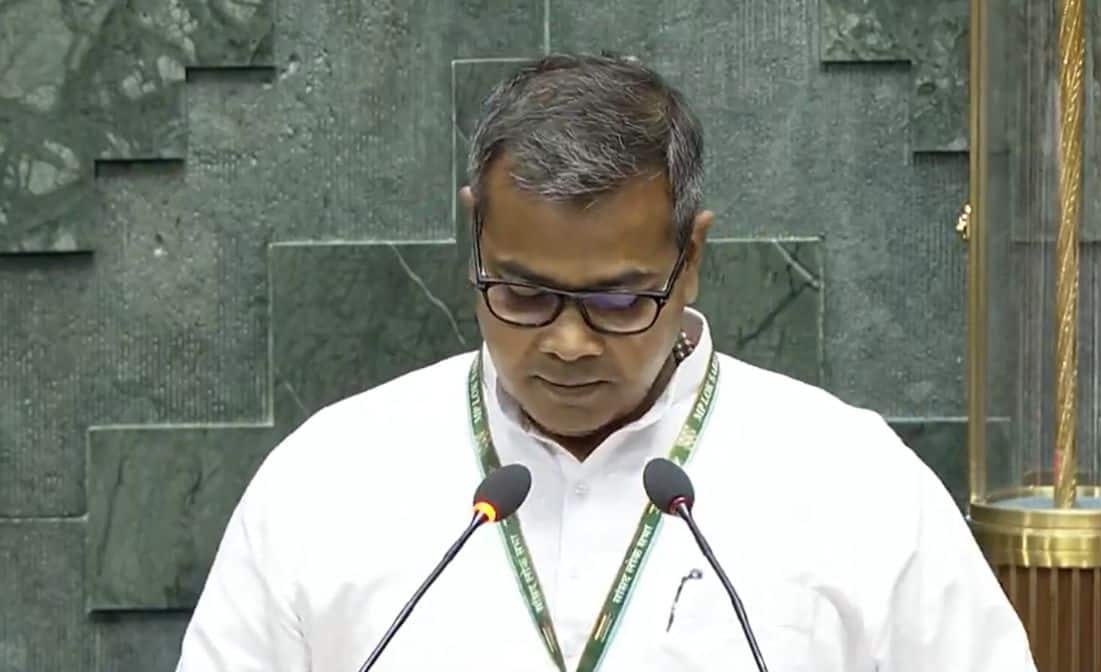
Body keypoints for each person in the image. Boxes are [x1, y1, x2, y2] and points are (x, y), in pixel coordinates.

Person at [176, 53, 1036, 671]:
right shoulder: (326, 484)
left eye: (621, 301)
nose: (568, 342)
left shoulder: (854, 486)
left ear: (690, 257)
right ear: (474, 231)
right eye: (521, 294)